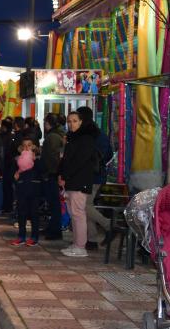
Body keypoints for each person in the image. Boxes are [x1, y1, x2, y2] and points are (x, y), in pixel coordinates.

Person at [58, 111, 99, 257]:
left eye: (74, 121)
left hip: (79, 181)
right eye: (69, 121)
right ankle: (76, 243)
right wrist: (62, 175)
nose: (71, 124)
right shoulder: (72, 138)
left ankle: (81, 246)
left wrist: (65, 175)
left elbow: (79, 161)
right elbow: (67, 160)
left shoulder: (86, 139)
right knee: (73, 214)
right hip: (71, 181)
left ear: (81, 122)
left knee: (78, 214)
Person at [76, 106, 114, 250]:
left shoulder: (87, 134)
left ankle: (108, 225)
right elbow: (109, 154)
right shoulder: (100, 134)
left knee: (85, 205)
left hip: (92, 176)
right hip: (97, 175)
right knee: (86, 206)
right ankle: (91, 239)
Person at [10, 138, 41, 246]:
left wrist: (35, 160)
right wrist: (16, 175)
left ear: (33, 147)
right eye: (24, 145)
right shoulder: (17, 159)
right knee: (21, 213)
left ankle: (34, 237)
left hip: (34, 188)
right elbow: (12, 174)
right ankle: (21, 236)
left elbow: (42, 171)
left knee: (34, 213)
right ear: (21, 148)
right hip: (22, 188)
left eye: (29, 145)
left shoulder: (38, 159)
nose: (27, 147)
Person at [41, 113, 66, 240]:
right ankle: (53, 228)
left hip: (52, 175)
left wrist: (48, 172)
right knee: (54, 204)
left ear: (48, 124)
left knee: (54, 204)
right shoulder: (58, 135)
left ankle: (55, 230)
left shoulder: (52, 137)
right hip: (53, 174)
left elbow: (52, 158)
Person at [0, 119, 14, 213]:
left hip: (5, 164)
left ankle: (6, 206)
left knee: (5, 187)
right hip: (11, 164)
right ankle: (8, 206)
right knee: (9, 187)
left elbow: (2, 152)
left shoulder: (2, 137)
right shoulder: (12, 136)